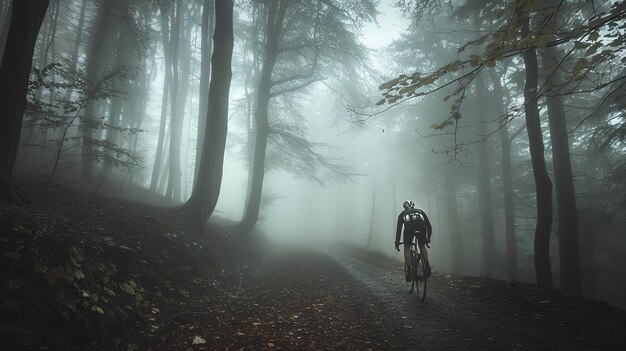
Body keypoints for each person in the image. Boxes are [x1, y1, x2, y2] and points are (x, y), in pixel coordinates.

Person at [395, 200, 432, 280]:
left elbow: (399, 229)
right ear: (413, 206)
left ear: (404, 207)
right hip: (421, 227)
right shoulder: (420, 211)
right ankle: (427, 265)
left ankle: (409, 270)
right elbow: (429, 226)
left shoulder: (402, 214)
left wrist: (397, 242)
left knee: (407, 247)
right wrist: (428, 239)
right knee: (422, 246)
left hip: (409, 229)